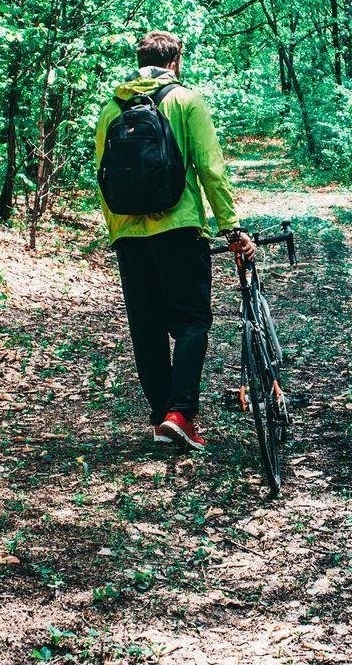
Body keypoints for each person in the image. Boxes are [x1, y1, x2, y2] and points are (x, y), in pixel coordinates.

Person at [94, 31, 255, 450]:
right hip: (180, 228)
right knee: (191, 322)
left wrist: (118, 233)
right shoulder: (187, 101)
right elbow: (210, 168)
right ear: (176, 61)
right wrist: (231, 227)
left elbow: (103, 178)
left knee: (146, 329)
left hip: (129, 235)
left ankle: (161, 417)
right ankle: (180, 413)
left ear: (139, 60)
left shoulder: (112, 108)